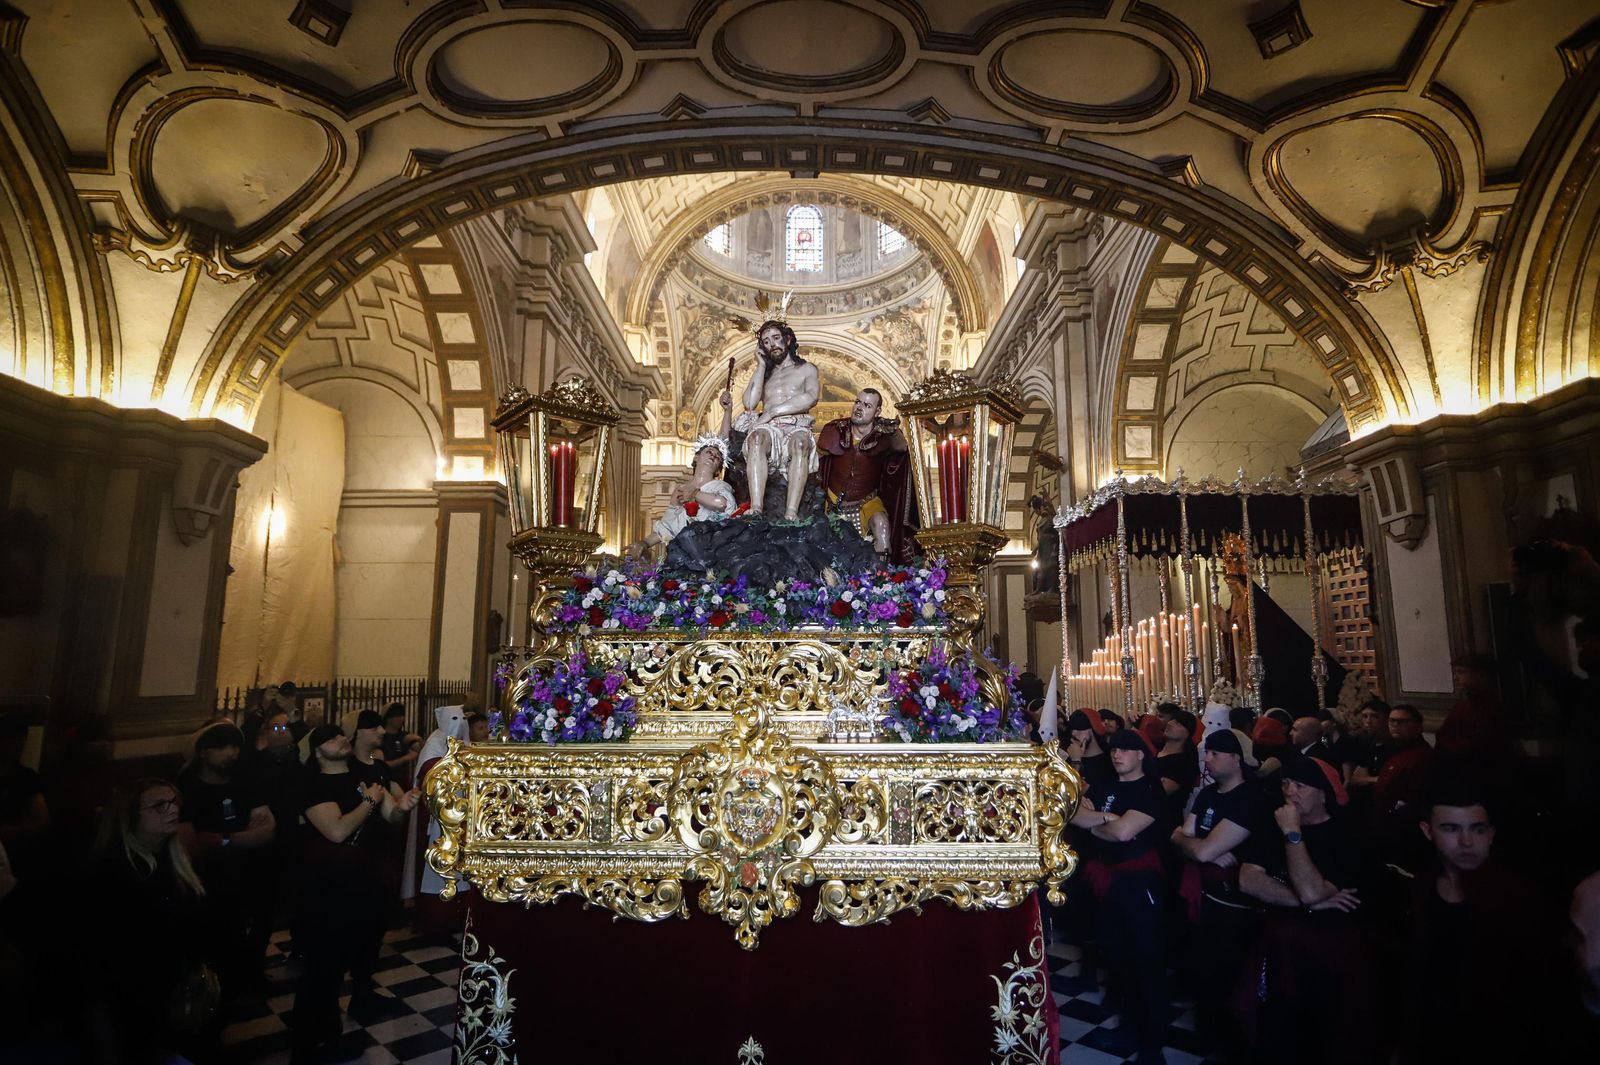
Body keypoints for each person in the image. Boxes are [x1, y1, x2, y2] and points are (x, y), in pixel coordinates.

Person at [1400, 782, 1568, 1062]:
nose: (1467, 842)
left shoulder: (1521, 900)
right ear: (1427, 831)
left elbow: (1544, 994)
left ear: (1491, 834)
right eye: (1451, 829)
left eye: (1477, 829)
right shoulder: (1418, 894)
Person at [292, 724, 419, 1061]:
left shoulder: (363, 774)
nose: (340, 739)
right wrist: (368, 801)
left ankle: (335, 1029)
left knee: (359, 949)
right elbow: (336, 831)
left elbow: (390, 813)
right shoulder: (314, 783)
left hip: (364, 878)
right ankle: (312, 1042)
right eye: (331, 738)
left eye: (340, 735)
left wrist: (402, 805)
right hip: (330, 885)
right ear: (317, 751)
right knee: (325, 964)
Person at [1237, 756, 1375, 1063]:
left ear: (1323, 793)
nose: (1290, 792)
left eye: (1300, 785)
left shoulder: (1348, 834)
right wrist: (1305, 900)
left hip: (1331, 957)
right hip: (1279, 953)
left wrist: (1292, 834)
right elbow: (1248, 880)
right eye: (1286, 783)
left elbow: (1312, 889)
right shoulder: (1273, 823)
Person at [88, 779, 216, 1065]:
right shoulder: (112, 873)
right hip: (136, 1000)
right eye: (160, 805)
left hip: (177, 991)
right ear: (130, 816)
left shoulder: (172, 860)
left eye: (173, 802)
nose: (172, 809)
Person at [1069, 729, 1169, 1062]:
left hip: (1138, 884)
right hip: (1107, 882)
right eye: (1115, 749)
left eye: (1125, 749)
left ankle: (1152, 1045)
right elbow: (1074, 816)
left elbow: (1125, 832)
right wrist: (1107, 819)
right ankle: (1128, 1029)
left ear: (1141, 754)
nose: (1117, 754)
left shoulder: (1150, 789)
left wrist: (1100, 823)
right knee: (1117, 960)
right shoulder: (1104, 785)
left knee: (1145, 962)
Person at [1170, 727, 1260, 1056]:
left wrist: (1194, 845)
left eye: (1215, 754)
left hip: (1235, 904)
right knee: (1204, 967)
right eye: (1206, 753)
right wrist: (1194, 844)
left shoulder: (1248, 797)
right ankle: (1209, 1033)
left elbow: (1199, 848)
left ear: (1237, 758)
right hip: (1202, 896)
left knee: (1231, 973)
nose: (1207, 760)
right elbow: (1182, 837)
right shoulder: (1209, 795)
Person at [177, 721, 277, 1000]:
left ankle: (250, 976)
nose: (230, 752)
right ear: (202, 753)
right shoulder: (186, 788)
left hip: (250, 872)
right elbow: (191, 845)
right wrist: (244, 834)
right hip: (208, 879)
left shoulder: (245, 781)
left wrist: (222, 839)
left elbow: (268, 829)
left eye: (234, 746)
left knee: (256, 927)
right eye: (221, 747)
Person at [815, 388, 914, 559]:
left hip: (867, 502)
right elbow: (813, 461)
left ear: (877, 411)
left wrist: (893, 432)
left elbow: (903, 449)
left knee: (881, 526)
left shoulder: (884, 436)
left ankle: (880, 581)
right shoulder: (835, 430)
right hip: (832, 502)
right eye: (858, 402)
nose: (859, 408)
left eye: (867, 405)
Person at [736, 319, 819, 519]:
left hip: (795, 424)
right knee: (756, 439)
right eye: (765, 341)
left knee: (800, 444)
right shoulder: (765, 374)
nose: (771, 344)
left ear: (787, 340)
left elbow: (810, 397)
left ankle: (791, 512)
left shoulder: (807, 369)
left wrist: (772, 412)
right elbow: (749, 403)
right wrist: (761, 365)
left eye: (775, 338)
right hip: (769, 428)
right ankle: (756, 508)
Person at [624, 435, 737, 557]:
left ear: (718, 471)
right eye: (709, 452)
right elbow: (668, 525)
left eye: (718, 457)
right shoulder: (680, 490)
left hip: (713, 547)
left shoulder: (720, 486)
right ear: (696, 457)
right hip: (687, 550)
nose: (713, 456)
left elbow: (722, 504)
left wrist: (695, 494)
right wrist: (644, 543)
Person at [0, 716, 48, 880]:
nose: (18, 748)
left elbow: (42, 819)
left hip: (18, 848)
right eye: (12, 742)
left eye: (21, 742)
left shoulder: (27, 777)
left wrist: (18, 832)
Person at [378, 703, 421, 785]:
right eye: (397, 716)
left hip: (404, 782)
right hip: (386, 782)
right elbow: (381, 765)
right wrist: (405, 758)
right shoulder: (380, 737)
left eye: (402, 715)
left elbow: (422, 750)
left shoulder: (404, 736)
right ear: (388, 718)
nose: (402, 718)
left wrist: (419, 739)